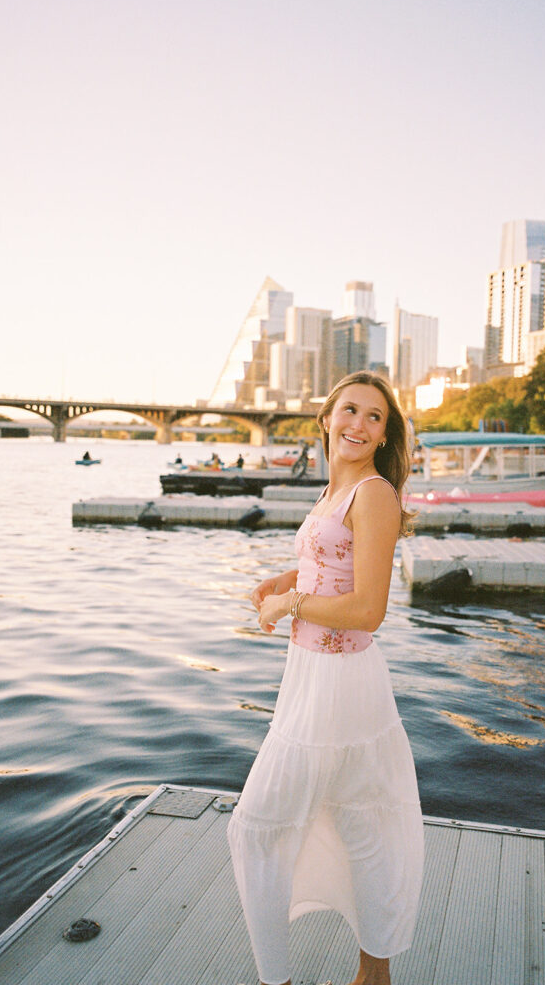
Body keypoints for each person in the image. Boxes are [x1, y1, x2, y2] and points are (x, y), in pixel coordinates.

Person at [228, 371, 423, 985]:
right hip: (311, 674)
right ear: (326, 418)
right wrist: (284, 582)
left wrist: (290, 606)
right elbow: (328, 565)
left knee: (256, 827)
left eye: (374, 418)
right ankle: (375, 973)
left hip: (340, 681)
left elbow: (368, 609)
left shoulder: (373, 494)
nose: (358, 425)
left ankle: (278, 979)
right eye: (349, 411)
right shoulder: (331, 493)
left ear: (385, 436)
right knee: (359, 819)